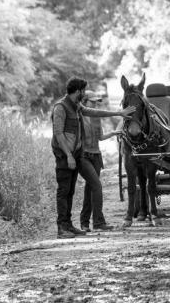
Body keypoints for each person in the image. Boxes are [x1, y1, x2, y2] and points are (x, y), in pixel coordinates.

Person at [52, 77, 135, 239]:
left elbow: (95, 112)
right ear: (78, 91)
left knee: (70, 191)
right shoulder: (60, 108)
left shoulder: (76, 107)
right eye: (83, 91)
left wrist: (119, 112)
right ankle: (62, 228)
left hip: (75, 155)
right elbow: (58, 133)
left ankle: (68, 225)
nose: (84, 94)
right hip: (65, 155)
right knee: (63, 191)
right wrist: (68, 155)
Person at [79, 91, 123, 232]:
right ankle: (98, 222)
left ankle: (85, 222)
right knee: (96, 186)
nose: (95, 104)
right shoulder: (79, 116)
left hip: (96, 156)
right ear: (84, 102)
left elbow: (100, 137)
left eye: (96, 102)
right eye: (92, 102)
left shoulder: (96, 118)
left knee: (90, 188)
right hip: (84, 156)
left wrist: (113, 133)